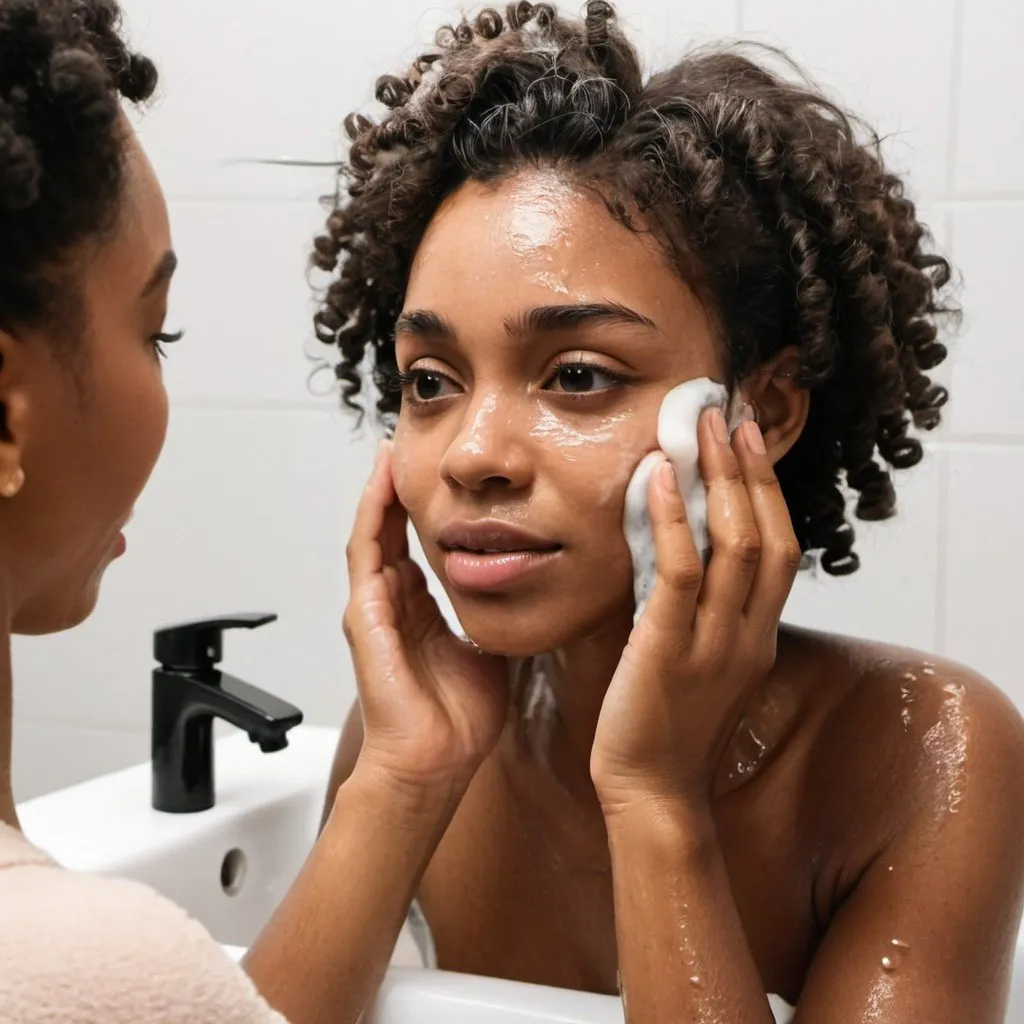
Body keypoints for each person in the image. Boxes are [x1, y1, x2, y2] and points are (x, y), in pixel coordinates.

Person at [315, 2, 1024, 1021]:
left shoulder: (923, 753)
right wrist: (398, 781)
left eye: (577, 375)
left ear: (763, 409)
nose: (472, 454)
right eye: (430, 382)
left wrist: (653, 793)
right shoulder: (416, 738)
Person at [0, 3, 497, 1022]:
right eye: (157, 331)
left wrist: (403, 776)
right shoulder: (88, 965)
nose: (482, 454)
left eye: (577, 376)